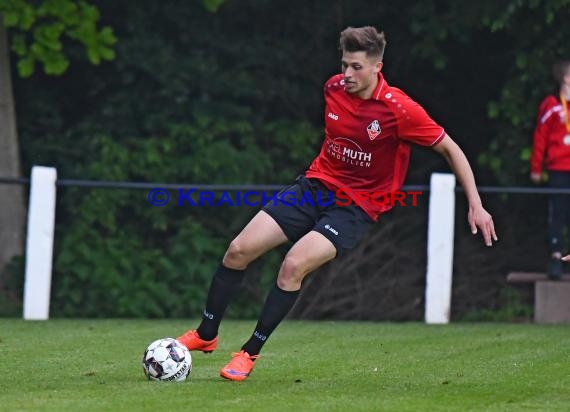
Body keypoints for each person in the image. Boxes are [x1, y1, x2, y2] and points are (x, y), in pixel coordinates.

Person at [176, 26, 498, 382]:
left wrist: (476, 203)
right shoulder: (332, 88)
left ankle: (249, 353)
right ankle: (206, 335)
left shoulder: (399, 110)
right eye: (344, 64)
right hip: (314, 187)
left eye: (356, 67)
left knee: (292, 266)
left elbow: (450, 148)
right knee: (238, 250)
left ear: (378, 67)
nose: (347, 74)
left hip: (355, 207)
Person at [530, 60, 570, 279]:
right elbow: (541, 136)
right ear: (565, 78)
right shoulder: (552, 104)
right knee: (558, 212)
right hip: (558, 169)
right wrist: (536, 167)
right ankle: (556, 257)